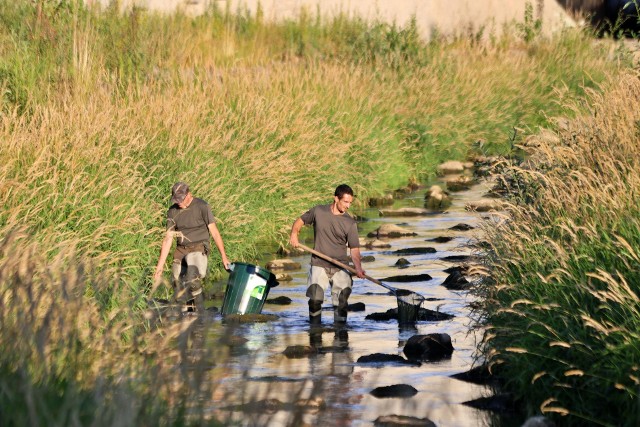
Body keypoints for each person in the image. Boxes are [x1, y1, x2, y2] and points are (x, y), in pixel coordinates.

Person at [289, 184, 365, 325]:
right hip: (319, 263)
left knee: (341, 301)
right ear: (336, 198)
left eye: (350, 202)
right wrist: (294, 234)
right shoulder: (318, 211)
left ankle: (341, 334)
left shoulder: (350, 223)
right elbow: (300, 221)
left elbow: (354, 249)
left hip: (340, 265)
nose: (348, 206)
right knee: (315, 299)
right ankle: (315, 330)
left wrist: (358, 268)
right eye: (345, 202)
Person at [154, 182, 230, 313]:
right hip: (181, 249)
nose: (178, 203)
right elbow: (168, 239)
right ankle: (190, 309)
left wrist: (224, 256)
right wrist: (159, 266)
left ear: (189, 195)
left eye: (181, 199)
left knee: (192, 278)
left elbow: (215, 232)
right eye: (176, 200)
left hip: (199, 246)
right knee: (177, 281)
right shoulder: (172, 211)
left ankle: (200, 310)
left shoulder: (202, 206)